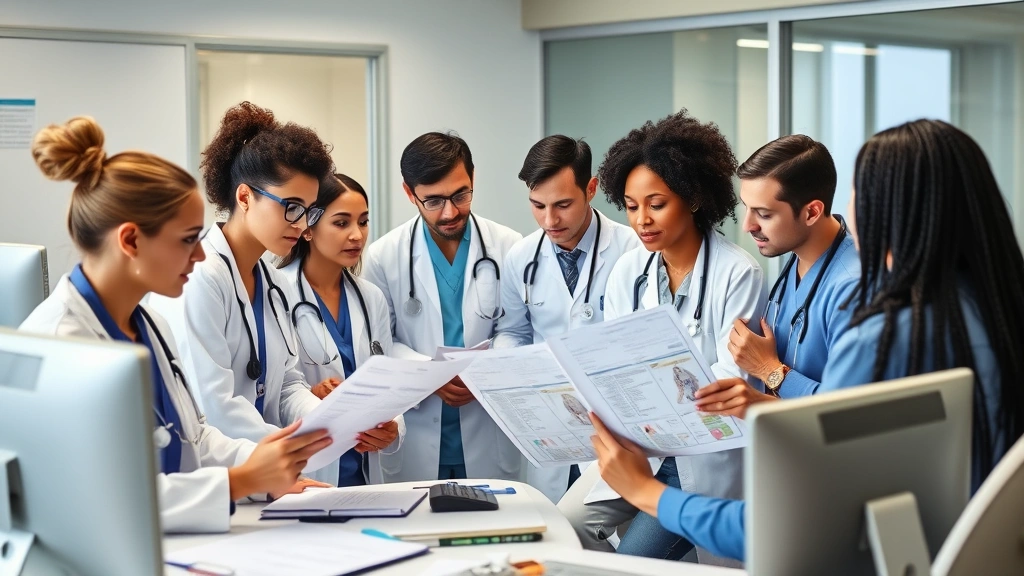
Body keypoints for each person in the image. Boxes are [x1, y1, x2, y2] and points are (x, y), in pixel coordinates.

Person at [590, 119, 1024, 563]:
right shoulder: (988, 311)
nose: (749, 225)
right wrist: (760, 404)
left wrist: (646, 492)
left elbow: (792, 523)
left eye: (856, 192)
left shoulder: (881, 330)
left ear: (879, 210)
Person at [21, 116, 333, 533]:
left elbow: (193, 437)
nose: (200, 255)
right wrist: (242, 480)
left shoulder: (150, 325)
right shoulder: (60, 342)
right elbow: (96, 497)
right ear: (131, 241)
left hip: (164, 542)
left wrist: (264, 469)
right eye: (188, 240)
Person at [558, 110, 766, 566]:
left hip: (702, 458)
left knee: (633, 561)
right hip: (643, 445)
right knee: (563, 527)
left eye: (656, 204)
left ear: (692, 198)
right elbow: (613, 364)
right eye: (631, 206)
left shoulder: (738, 273)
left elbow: (731, 382)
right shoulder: (628, 271)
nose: (642, 220)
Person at [151, 102, 390, 484]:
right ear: (245, 198)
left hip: (263, 475)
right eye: (291, 207)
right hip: (218, 479)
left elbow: (288, 385)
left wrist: (339, 423)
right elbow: (213, 406)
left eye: (309, 211)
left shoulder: (272, 282)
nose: (301, 224)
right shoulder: (199, 277)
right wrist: (288, 455)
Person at [362, 132, 524, 482]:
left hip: (488, 422)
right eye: (433, 201)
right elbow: (380, 343)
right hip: (417, 426)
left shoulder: (510, 246)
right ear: (410, 193)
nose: (450, 212)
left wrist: (482, 370)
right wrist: (431, 374)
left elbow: (515, 329)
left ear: (473, 178)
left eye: (460, 195)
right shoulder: (383, 256)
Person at [493, 135, 639, 502]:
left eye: (562, 204)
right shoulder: (521, 257)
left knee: (608, 519)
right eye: (537, 205)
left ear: (590, 189)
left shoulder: (633, 250)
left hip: (615, 419)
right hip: (551, 420)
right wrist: (508, 363)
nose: (549, 219)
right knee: (555, 517)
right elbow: (512, 331)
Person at [694, 135, 860, 418]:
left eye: (764, 214)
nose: (748, 225)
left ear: (812, 212)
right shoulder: (795, 260)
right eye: (747, 208)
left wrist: (770, 370)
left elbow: (849, 412)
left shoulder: (853, 288)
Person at [277, 173, 403, 486]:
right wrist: (312, 396)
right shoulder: (277, 294)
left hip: (364, 469)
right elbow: (275, 391)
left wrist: (393, 427)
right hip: (309, 471)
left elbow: (386, 379)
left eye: (363, 222)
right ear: (308, 228)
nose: (357, 235)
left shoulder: (370, 297)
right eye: (341, 223)